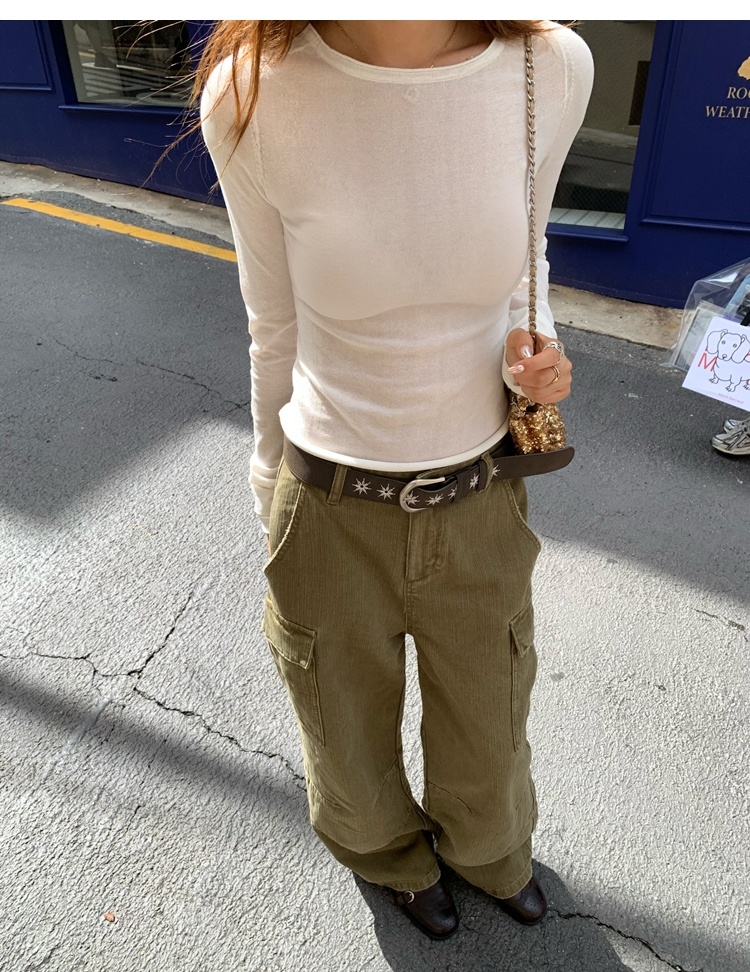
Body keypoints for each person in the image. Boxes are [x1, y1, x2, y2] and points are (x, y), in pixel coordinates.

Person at [199, 20, 593, 940]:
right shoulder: (250, 92)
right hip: (328, 498)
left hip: (479, 493)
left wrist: (540, 351)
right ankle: (384, 855)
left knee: (491, 711)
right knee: (341, 721)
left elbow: (526, 262)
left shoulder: (549, 66)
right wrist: (268, 493)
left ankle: (490, 850)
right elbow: (273, 323)